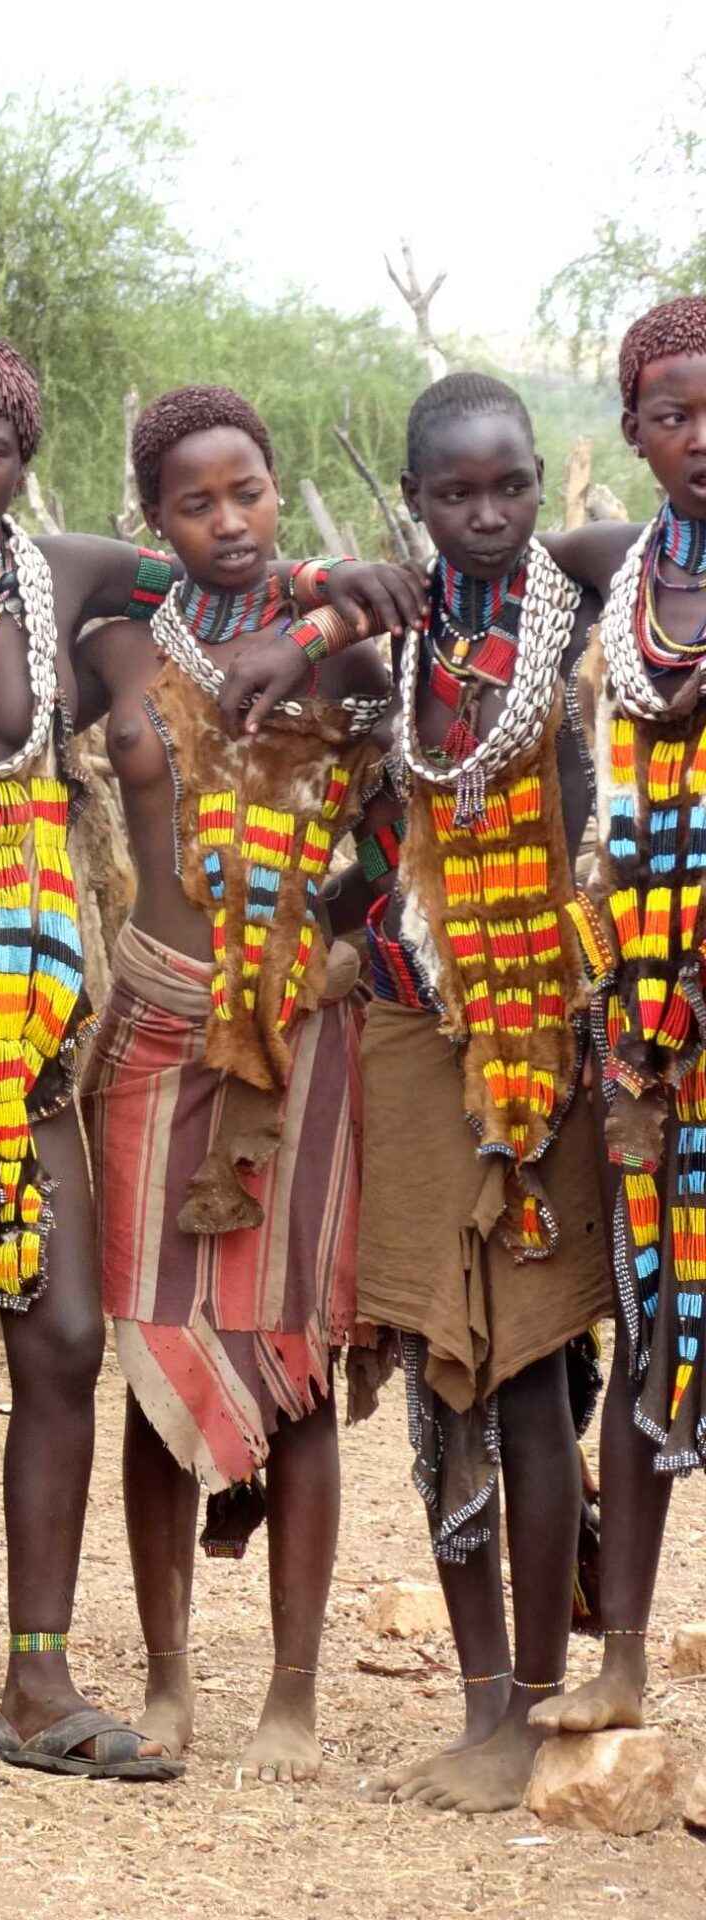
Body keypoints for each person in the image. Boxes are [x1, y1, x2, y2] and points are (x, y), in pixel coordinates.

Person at [0, 331, 420, 1776]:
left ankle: (39, 1676)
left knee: (73, 1336)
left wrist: (320, 617)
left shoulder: (76, 583)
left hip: (53, 1028)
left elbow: (257, 587)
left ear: (30, 462)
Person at [75, 386, 390, 1782]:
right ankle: (164, 1681)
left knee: (294, 1352)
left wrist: (316, 615)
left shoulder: (348, 655)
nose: (229, 522)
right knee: (150, 1350)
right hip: (153, 1026)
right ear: (154, 521)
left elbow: (401, 833)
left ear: (278, 489)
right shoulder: (118, 647)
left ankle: (295, 1696)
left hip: (300, 1047)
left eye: (248, 492)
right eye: (194, 503)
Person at [334, 372, 609, 1813]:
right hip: (413, 1032)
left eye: (511, 486)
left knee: (540, 1380)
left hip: (546, 1034)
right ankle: (484, 1705)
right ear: (417, 499)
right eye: (457, 494)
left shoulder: (585, 605)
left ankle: (544, 1711)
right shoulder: (392, 636)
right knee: (448, 1383)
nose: (490, 515)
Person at [528, 296, 706, 1742]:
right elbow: (454, 567)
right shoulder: (610, 574)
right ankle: (627, 1660)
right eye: (674, 415)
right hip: (642, 1038)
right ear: (635, 433)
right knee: (653, 1338)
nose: (703, 439)